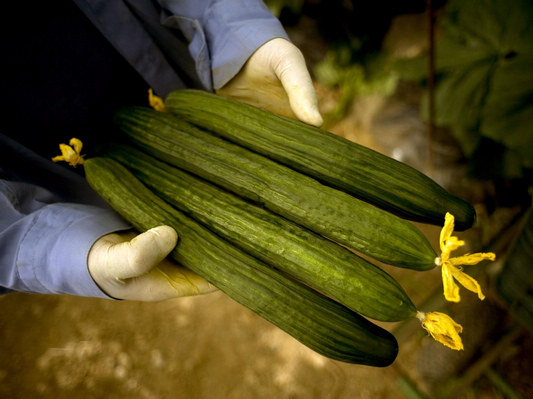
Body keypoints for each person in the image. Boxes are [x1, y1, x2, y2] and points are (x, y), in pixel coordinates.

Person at [0, 0, 322, 301]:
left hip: (192, 93)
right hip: (77, 192)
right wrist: (59, 253)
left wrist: (235, 30)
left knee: (300, 213)